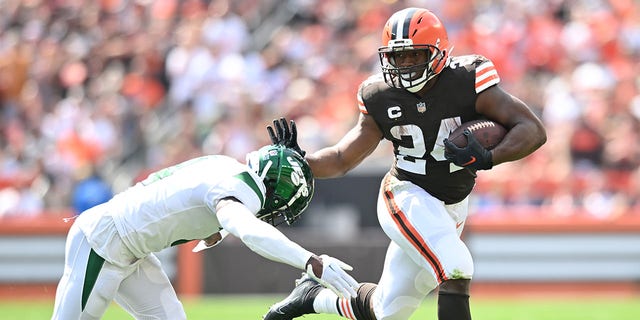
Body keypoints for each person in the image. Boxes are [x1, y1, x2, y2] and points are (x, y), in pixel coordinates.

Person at [263, 7, 546, 320]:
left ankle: (313, 297)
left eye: (414, 56)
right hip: (406, 194)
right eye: (399, 57)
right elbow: (343, 158)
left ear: (438, 52)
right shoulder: (380, 95)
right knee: (456, 266)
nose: (406, 65)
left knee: (387, 311)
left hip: (452, 203)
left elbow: (532, 129)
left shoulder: (468, 80)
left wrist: (491, 157)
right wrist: (302, 161)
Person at [51, 144, 359, 320]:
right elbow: (251, 232)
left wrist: (211, 226)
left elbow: (169, 188)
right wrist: (311, 261)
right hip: (103, 243)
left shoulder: (224, 165)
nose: (275, 213)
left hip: (130, 249)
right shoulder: (241, 188)